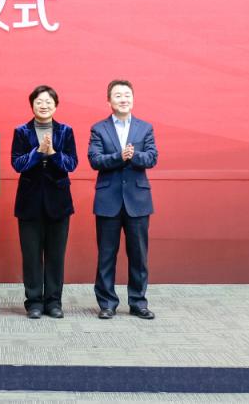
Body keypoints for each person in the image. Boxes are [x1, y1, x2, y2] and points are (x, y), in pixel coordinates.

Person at [88, 79, 158, 320]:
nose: (123, 99)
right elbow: (95, 159)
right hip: (108, 201)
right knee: (106, 255)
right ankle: (107, 303)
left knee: (139, 256)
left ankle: (138, 302)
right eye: (118, 95)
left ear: (133, 99)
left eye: (127, 95)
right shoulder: (99, 129)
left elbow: (152, 157)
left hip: (137, 201)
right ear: (109, 101)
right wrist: (119, 156)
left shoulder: (145, 128)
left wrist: (133, 155)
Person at [10, 85, 79, 319]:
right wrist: (38, 152)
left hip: (58, 202)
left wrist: (53, 153)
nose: (44, 105)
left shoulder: (65, 131)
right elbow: (17, 164)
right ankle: (34, 302)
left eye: (48, 102)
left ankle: (53, 302)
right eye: (39, 102)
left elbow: (72, 163)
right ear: (32, 105)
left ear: (55, 106)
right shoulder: (21, 132)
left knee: (56, 256)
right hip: (29, 203)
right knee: (31, 256)